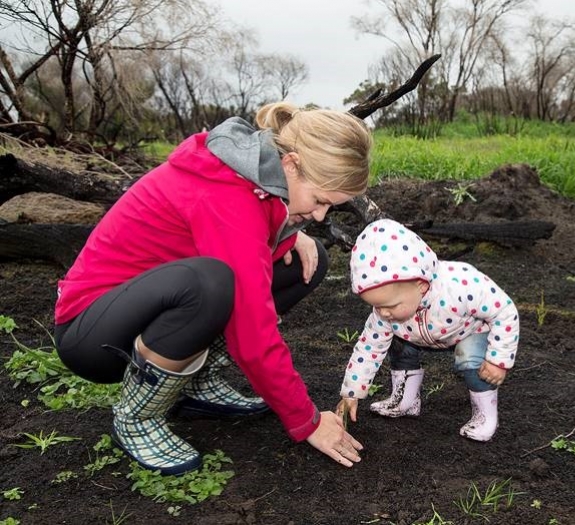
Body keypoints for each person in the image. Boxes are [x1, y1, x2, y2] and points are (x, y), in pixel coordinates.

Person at [53, 102, 372, 475]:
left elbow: (252, 243)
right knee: (211, 283)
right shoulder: (227, 196)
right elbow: (252, 333)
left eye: (328, 207)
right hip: (91, 334)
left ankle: (194, 384)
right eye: (319, 201)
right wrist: (309, 421)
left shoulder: (253, 173)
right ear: (290, 164)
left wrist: (289, 232)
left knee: (307, 258)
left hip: (144, 309)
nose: (320, 216)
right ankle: (137, 417)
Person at [335, 218, 519, 442]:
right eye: (376, 306)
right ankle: (406, 400)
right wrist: (351, 392)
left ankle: (485, 415)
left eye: (390, 305)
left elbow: (505, 311)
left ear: (420, 286)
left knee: (471, 359)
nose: (383, 313)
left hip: (469, 331)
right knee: (394, 341)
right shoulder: (387, 313)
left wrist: (498, 360)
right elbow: (368, 349)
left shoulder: (461, 286)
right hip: (418, 335)